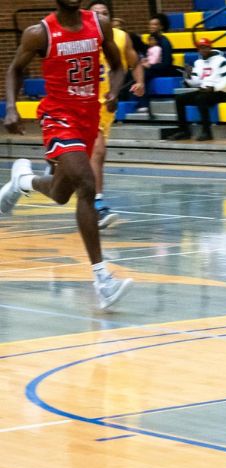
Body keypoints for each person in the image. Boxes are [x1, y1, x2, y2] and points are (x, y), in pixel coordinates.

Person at [2, 0, 133, 310]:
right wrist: (11, 107)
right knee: (86, 183)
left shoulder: (99, 25)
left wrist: (115, 91)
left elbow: (118, 66)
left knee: (62, 194)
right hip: (58, 116)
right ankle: (103, 279)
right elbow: (15, 70)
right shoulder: (40, 33)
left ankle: (23, 181)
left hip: (88, 116)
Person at [88, 0, 145, 230]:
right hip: (81, 103)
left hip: (106, 105)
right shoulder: (77, 39)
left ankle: (32, 180)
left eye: (104, 13)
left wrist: (139, 82)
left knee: (95, 156)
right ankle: (98, 204)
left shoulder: (120, 37)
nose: (100, 16)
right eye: (95, 13)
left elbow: (135, 62)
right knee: (98, 152)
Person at [166, 38, 226, 142]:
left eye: (205, 47)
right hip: (204, 90)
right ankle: (184, 131)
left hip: (220, 92)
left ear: (210, 48)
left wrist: (213, 88)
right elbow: (195, 82)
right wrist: (188, 76)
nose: (203, 50)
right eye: (200, 48)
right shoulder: (198, 62)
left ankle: (207, 132)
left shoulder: (222, 61)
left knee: (201, 98)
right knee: (179, 99)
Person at [137, 14, 175, 113]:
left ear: (161, 27)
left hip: (163, 69)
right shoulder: (151, 41)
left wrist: (150, 66)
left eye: (155, 24)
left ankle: (144, 104)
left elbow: (166, 63)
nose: (152, 27)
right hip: (153, 68)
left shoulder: (165, 42)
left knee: (142, 74)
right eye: (150, 24)